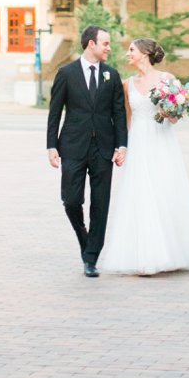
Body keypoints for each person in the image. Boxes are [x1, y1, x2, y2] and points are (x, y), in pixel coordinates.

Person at [98, 38, 189, 276]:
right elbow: (127, 120)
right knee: (140, 194)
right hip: (139, 143)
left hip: (162, 142)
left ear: (145, 53)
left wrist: (169, 112)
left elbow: (175, 118)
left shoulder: (167, 79)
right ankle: (144, 256)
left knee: (164, 192)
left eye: (131, 50)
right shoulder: (127, 84)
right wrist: (121, 147)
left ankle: (172, 252)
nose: (127, 54)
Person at [46, 25, 128, 277]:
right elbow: (55, 111)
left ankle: (91, 258)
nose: (109, 47)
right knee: (71, 200)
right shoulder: (66, 73)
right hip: (72, 146)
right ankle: (85, 240)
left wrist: (122, 145)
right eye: (105, 43)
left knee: (100, 204)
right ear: (91, 44)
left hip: (104, 149)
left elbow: (118, 114)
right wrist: (51, 145)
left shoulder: (111, 75)